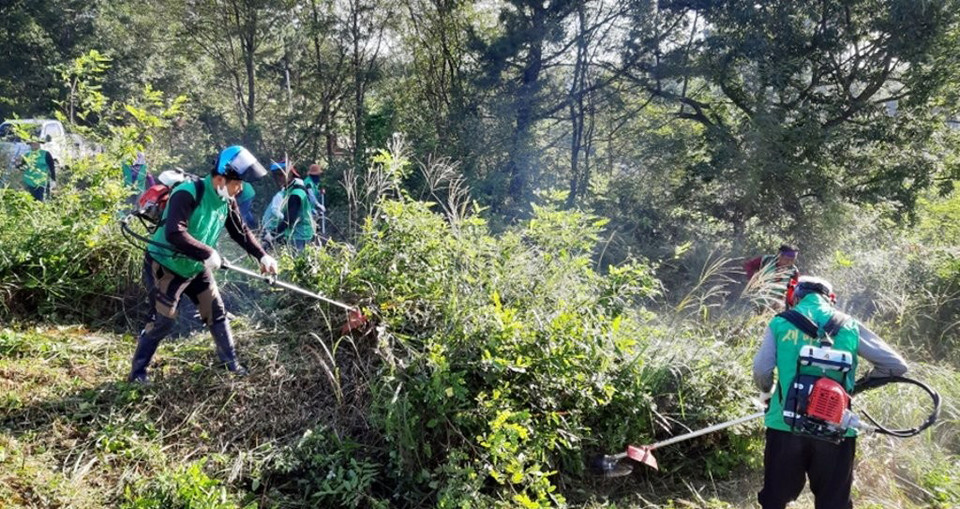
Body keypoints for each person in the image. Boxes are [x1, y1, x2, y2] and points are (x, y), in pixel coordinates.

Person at [752, 276, 908, 509]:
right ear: (830, 299)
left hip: (785, 425)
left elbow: (762, 370)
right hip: (836, 429)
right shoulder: (849, 325)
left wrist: (769, 393)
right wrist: (852, 389)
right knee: (834, 504)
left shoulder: (780, 323)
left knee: (775, 500)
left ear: (795, 296)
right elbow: (896, 366)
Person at [128, 145, 278, 384]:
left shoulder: (227, 200)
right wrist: (207, 252)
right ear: (220, 179)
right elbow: (174, 233)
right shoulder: (188, 193)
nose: (240, 189)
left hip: (196, 267)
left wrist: (262, 256)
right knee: (163, 320)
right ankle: (137, 374)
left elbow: (241, 231)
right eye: (236, 183)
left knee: (216, 313)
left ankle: (231, 365)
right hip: (166, 265)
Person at [276, 169, 315, 251]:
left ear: (290, 175)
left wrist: (274, 232)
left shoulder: (295, 194)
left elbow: (289, 220)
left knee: (297, 260)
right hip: (300, 232)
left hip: (300, 234)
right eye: (277, 175)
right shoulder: (293, 189)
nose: (278, 178)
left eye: (281, 175)